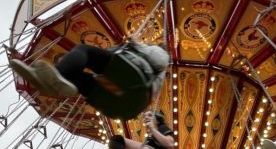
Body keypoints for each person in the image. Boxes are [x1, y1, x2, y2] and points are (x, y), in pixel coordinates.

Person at [11, 38, 170, 109]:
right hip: (121, 102)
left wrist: (136, 43)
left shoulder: (162, 55)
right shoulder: (155, 78)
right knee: (79, 78)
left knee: (83, 49)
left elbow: (158, 60)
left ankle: (57, 75)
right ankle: (62, 83)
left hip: (132, 78)